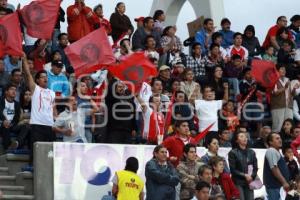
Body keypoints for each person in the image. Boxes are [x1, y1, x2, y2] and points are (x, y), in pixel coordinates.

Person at [22, 56, 56, 163]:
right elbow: (28, 75)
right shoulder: (35, 89)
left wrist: (57, 120)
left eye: (46, 76)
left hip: (49, 126)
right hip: (37, 125)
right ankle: (32, 171)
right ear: (37, 80)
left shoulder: (52, 93)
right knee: (35, 152)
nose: (45, 78)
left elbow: (53, 109)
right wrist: (24, 60)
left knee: (50, 154)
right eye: (42, 77)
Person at [228, 131, 258, 200]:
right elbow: (233, 170)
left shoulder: (252, 152)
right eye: (241, 136)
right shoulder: (233, 152)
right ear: (236, 140)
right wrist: (244, 175)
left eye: (245, 136)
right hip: (238, 181)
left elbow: (255, 168)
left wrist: (251, 176)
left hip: (249, 181)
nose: (245, 138)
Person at [105, 79, 137, 144]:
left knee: (127, 153)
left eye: (123, 87)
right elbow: (110, 88)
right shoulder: (111, 98)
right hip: (114, 130)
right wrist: (115, 77)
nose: (122, 89)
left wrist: (134, 128)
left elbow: (133, 114)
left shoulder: (129, 99)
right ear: (114, 89)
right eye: (119, 87)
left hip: (128, 131)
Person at [271, 65, 298, 132]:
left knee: (289, 126)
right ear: (277, 71)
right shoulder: (273, 80)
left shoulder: (288, 79)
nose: (284, 71)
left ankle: (288, 140)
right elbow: (274, 93)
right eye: (282, 69)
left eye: (284, 70)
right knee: (277, 126)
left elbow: (293, 94)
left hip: (288, 106)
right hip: (278, 106)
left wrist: (294, 89)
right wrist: (284, 88)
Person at [263, 132, 290, 200]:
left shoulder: (276, 151)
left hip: (278, 186)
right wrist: (284, 182)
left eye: (280, 138)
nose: (280, 140)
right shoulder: (271, 151)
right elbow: (274, 168)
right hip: (274, 187)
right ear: (271, 142)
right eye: (277, 138)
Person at [0, 84, 20, 150]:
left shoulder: (17, 104)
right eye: (12, 89)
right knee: (5, 127)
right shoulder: (1, 102)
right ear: (6, 92)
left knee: (26, 127)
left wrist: (11, 124)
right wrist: (3, 122)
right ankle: (7, 147)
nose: (14, 91)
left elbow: (17, 118)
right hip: (2, 124)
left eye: (15, 90)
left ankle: (17, 142)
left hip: (12, 125)